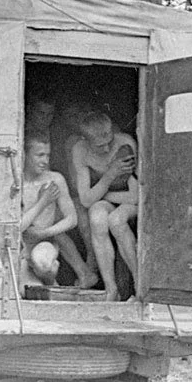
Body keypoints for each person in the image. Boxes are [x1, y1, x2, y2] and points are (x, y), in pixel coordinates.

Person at [69, 111, 138, 301]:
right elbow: (85, 200)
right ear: (86, 140)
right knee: (97, 217)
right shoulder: (80, 150)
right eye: (100, 146)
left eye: (109, 140)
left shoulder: (125, 144)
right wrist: (110, 174)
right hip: (109, 198)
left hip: (130, 200)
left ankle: (140, 288)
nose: (108, 149)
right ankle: (111, 290)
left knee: (116, 220)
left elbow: (136, 196)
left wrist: (101, 191)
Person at [20, 130, 81, 286]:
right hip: (21, 245)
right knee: (25, 292)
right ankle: (47, 284)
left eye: (47, 155)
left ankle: (50, 276)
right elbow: (17, 227)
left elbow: (72, 219)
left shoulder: (54, 179)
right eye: (39, 155)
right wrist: (43, 202)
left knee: (44, 264)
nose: (45, 161)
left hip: (44, 242)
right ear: (24, 154)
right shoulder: (17, 183)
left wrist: (44, 233)